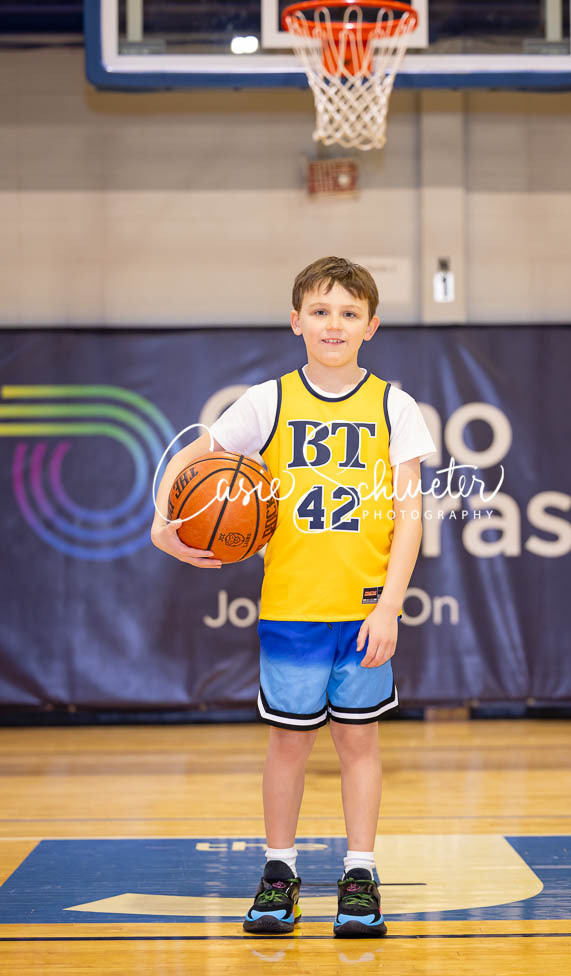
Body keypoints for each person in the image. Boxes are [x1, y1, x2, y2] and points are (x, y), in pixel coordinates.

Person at [151, 256, 436, 937]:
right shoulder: (268, 400)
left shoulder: (393, 405)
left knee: (359, 743)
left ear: (370, 326)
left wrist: (390, 607)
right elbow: (196, 454)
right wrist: (163, 522)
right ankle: (279, 871)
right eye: (320, 311)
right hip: (291, 607)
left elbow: (410, 516)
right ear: (295, 321)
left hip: (363, 610)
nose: (333, 324)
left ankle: (360, 873)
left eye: (348, 313)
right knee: (287, 745)